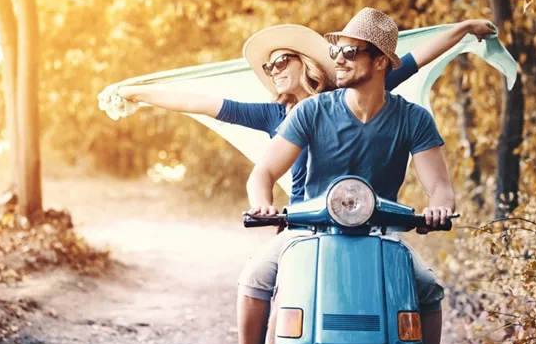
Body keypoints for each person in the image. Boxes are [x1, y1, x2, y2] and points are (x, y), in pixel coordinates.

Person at [244, 8, 456, 344]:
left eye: (350, 52)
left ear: (380, 62)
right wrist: (262, 203)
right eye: (336, 52)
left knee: (429, 290)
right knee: (255, 278)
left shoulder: (413, 118)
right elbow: (262, 173)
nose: (338, 61)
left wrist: (439, 207)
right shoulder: (311, 111)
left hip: (383, 235)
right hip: (307, 231)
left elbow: (441, 187)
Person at [115, 20, 495, 206]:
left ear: (307, 63)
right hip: (305, 221)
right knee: (257, 283)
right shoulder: (271, 116)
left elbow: (417, 55)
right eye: (269, 67)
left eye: (282, 60)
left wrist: (464, 29)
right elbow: (197, 102)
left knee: (424, 290)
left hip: (368, 219)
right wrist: (136, 92)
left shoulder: (353, 90)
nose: (275, 69)